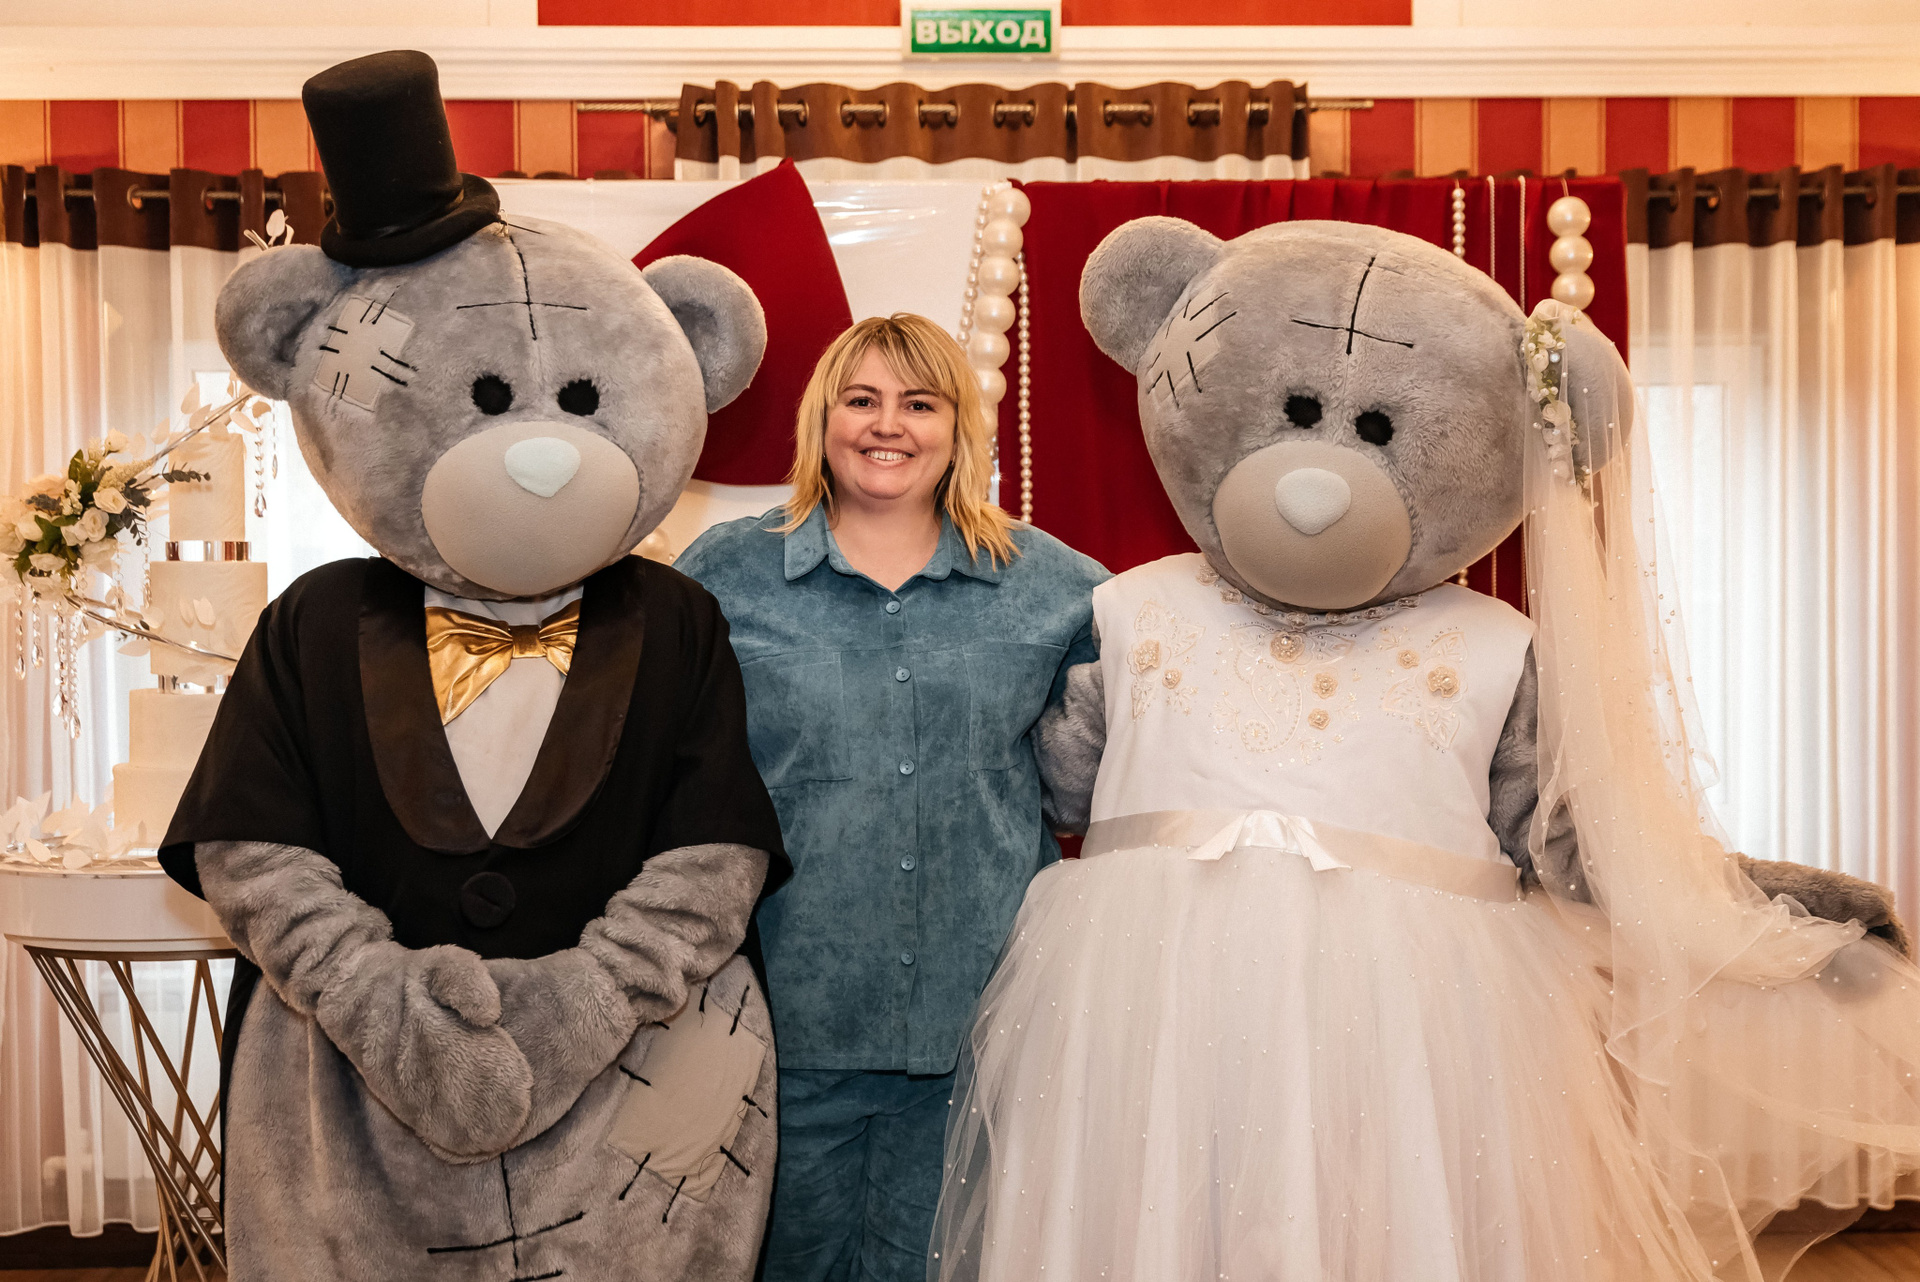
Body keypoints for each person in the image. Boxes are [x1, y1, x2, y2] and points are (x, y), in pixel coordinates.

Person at [674, 313, 1108, 1282]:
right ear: (822, 418)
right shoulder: (722, 576)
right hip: (779, 1027)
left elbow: (1104, 768)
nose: (888, 425)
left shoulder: (1055, 585)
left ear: (957, 427)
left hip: (978, 1025)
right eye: (861, 400)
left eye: (919, 404)